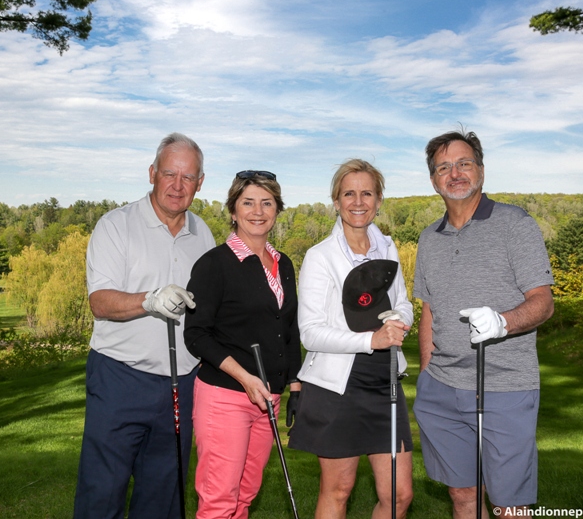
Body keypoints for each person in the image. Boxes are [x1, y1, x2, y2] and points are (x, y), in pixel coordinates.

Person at [412, 129, 555, 519]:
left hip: (504, 386)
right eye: (444, 167)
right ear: (433, 180)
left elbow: (543, 303)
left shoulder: (515, 224)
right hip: (441, 388)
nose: (454, 172)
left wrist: (503, 323)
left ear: (481, 171)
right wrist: (427, 373)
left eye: (464, 163)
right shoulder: (429, 238)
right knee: (462, 495)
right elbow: (429, 310)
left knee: (510, 506)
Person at [74, 133, 215, 519]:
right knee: (102, 490)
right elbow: (99, 301)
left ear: (200, 183)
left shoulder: (202, 234)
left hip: (183, 380)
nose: (177, 185)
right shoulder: (116, 225)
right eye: (170, 173)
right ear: (152, 173)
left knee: (163, 495)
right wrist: (148, 300)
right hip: (120, 379)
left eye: (188, 177)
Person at [289, 159, 414, 519]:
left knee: (399, 495)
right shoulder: (320, 257)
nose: (358, 201)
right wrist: (370, 340)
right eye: (349, 193)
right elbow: (310, 332)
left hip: (385, 383)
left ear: (378, 200)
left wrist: (398, 321)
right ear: (336, 200)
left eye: (367, 193)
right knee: (338, 490)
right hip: (336, 387)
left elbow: (403, 304)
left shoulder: (388, 248)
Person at [184, 170, 302, 519]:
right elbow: (196, 334)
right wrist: (245, 378)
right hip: (226, 397)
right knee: (219, 500)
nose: (258, 210)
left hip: (268, 399)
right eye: (247, 202)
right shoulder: (214, 264)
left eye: (267, 203)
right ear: (233, 211)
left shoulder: (283, 264)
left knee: (245, 495)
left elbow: (288, 328)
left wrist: (294, 386)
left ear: (277, 210)